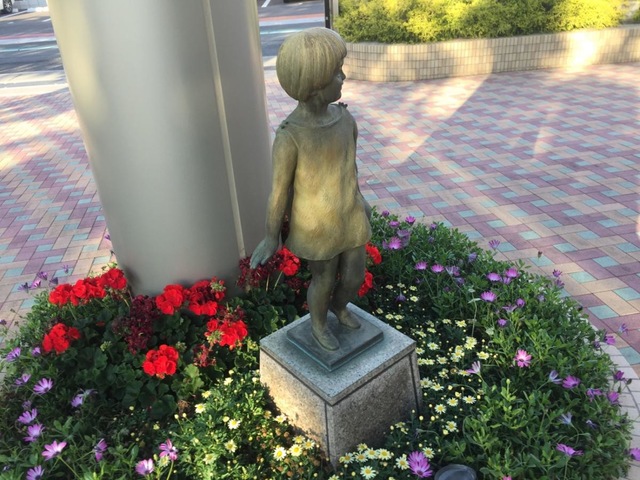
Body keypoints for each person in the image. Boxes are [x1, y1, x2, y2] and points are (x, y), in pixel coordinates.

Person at [250, 27, 372, 351]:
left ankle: (340, 307)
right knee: (324, 277)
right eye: (337, 72)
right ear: (316, 84)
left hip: (349, 214)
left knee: (355, 276)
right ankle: (318, 325)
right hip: (316, 225)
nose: (344, 77)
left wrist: (360, 200)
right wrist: (271, 237)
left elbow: (349, 167)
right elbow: (279, 192)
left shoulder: (345, 120)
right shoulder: (290, 136)